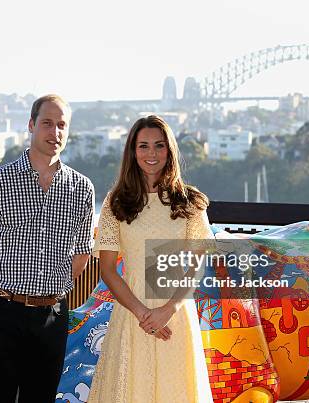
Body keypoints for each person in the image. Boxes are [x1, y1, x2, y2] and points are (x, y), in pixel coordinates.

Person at [0, 94, 95, 403]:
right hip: (1, 315)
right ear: (31, 125)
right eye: (47, 124)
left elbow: (81, 254)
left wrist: (48, 290)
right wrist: (6, 292)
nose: (55, 132)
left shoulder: (82, 188)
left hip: (52, 316)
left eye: (62, 125)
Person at [87, 115, 213, 402]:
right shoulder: (115, 201)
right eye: (143, 146)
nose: (151, 154)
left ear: (169, 150)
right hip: (132, 315)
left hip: (176, 316)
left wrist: (168, 310)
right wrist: (144, 315)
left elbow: (197, 267)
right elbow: (108, 270)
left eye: (159, 145)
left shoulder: (191, 202)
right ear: (132, 151)